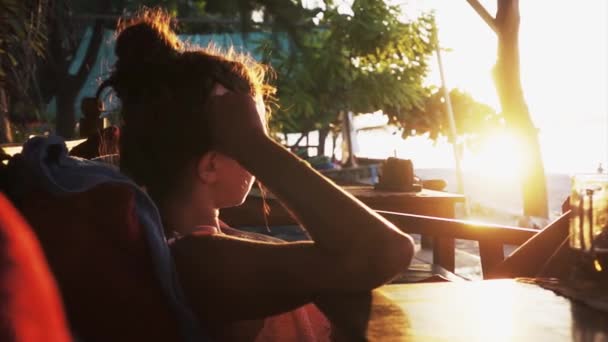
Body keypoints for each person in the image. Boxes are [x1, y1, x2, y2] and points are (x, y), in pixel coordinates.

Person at [96, 8, 415, 341]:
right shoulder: (200, 261)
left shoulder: (197, 243)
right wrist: (255, 145)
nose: (263, 146)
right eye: (253, 133)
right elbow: (385, 250)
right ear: (211, 166)